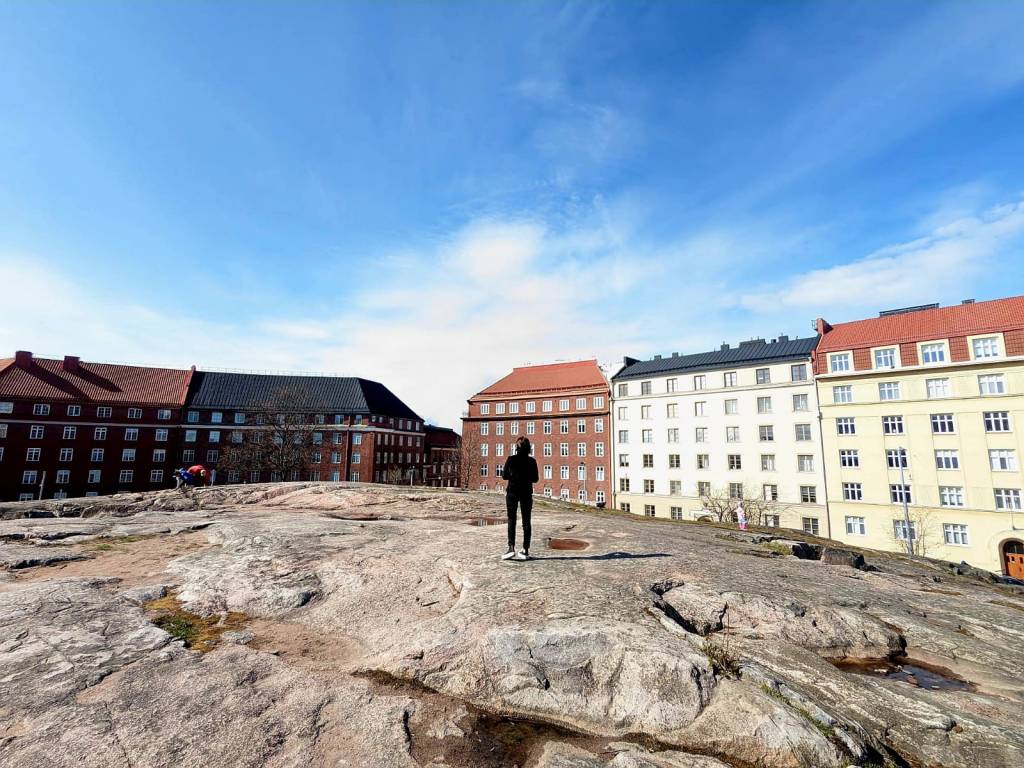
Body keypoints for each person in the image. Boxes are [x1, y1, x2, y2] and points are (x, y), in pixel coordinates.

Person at [501, 437, 539, 561]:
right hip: (526, 493)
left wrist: (514, 475)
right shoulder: (532, 461)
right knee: (526, 521)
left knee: (511, 519)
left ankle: (511, 548)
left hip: (512, 492)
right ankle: (525, 550)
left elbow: (504, 476)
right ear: (528, 448)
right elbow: (535, 479)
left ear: (516, 448)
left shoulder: (511, 460)